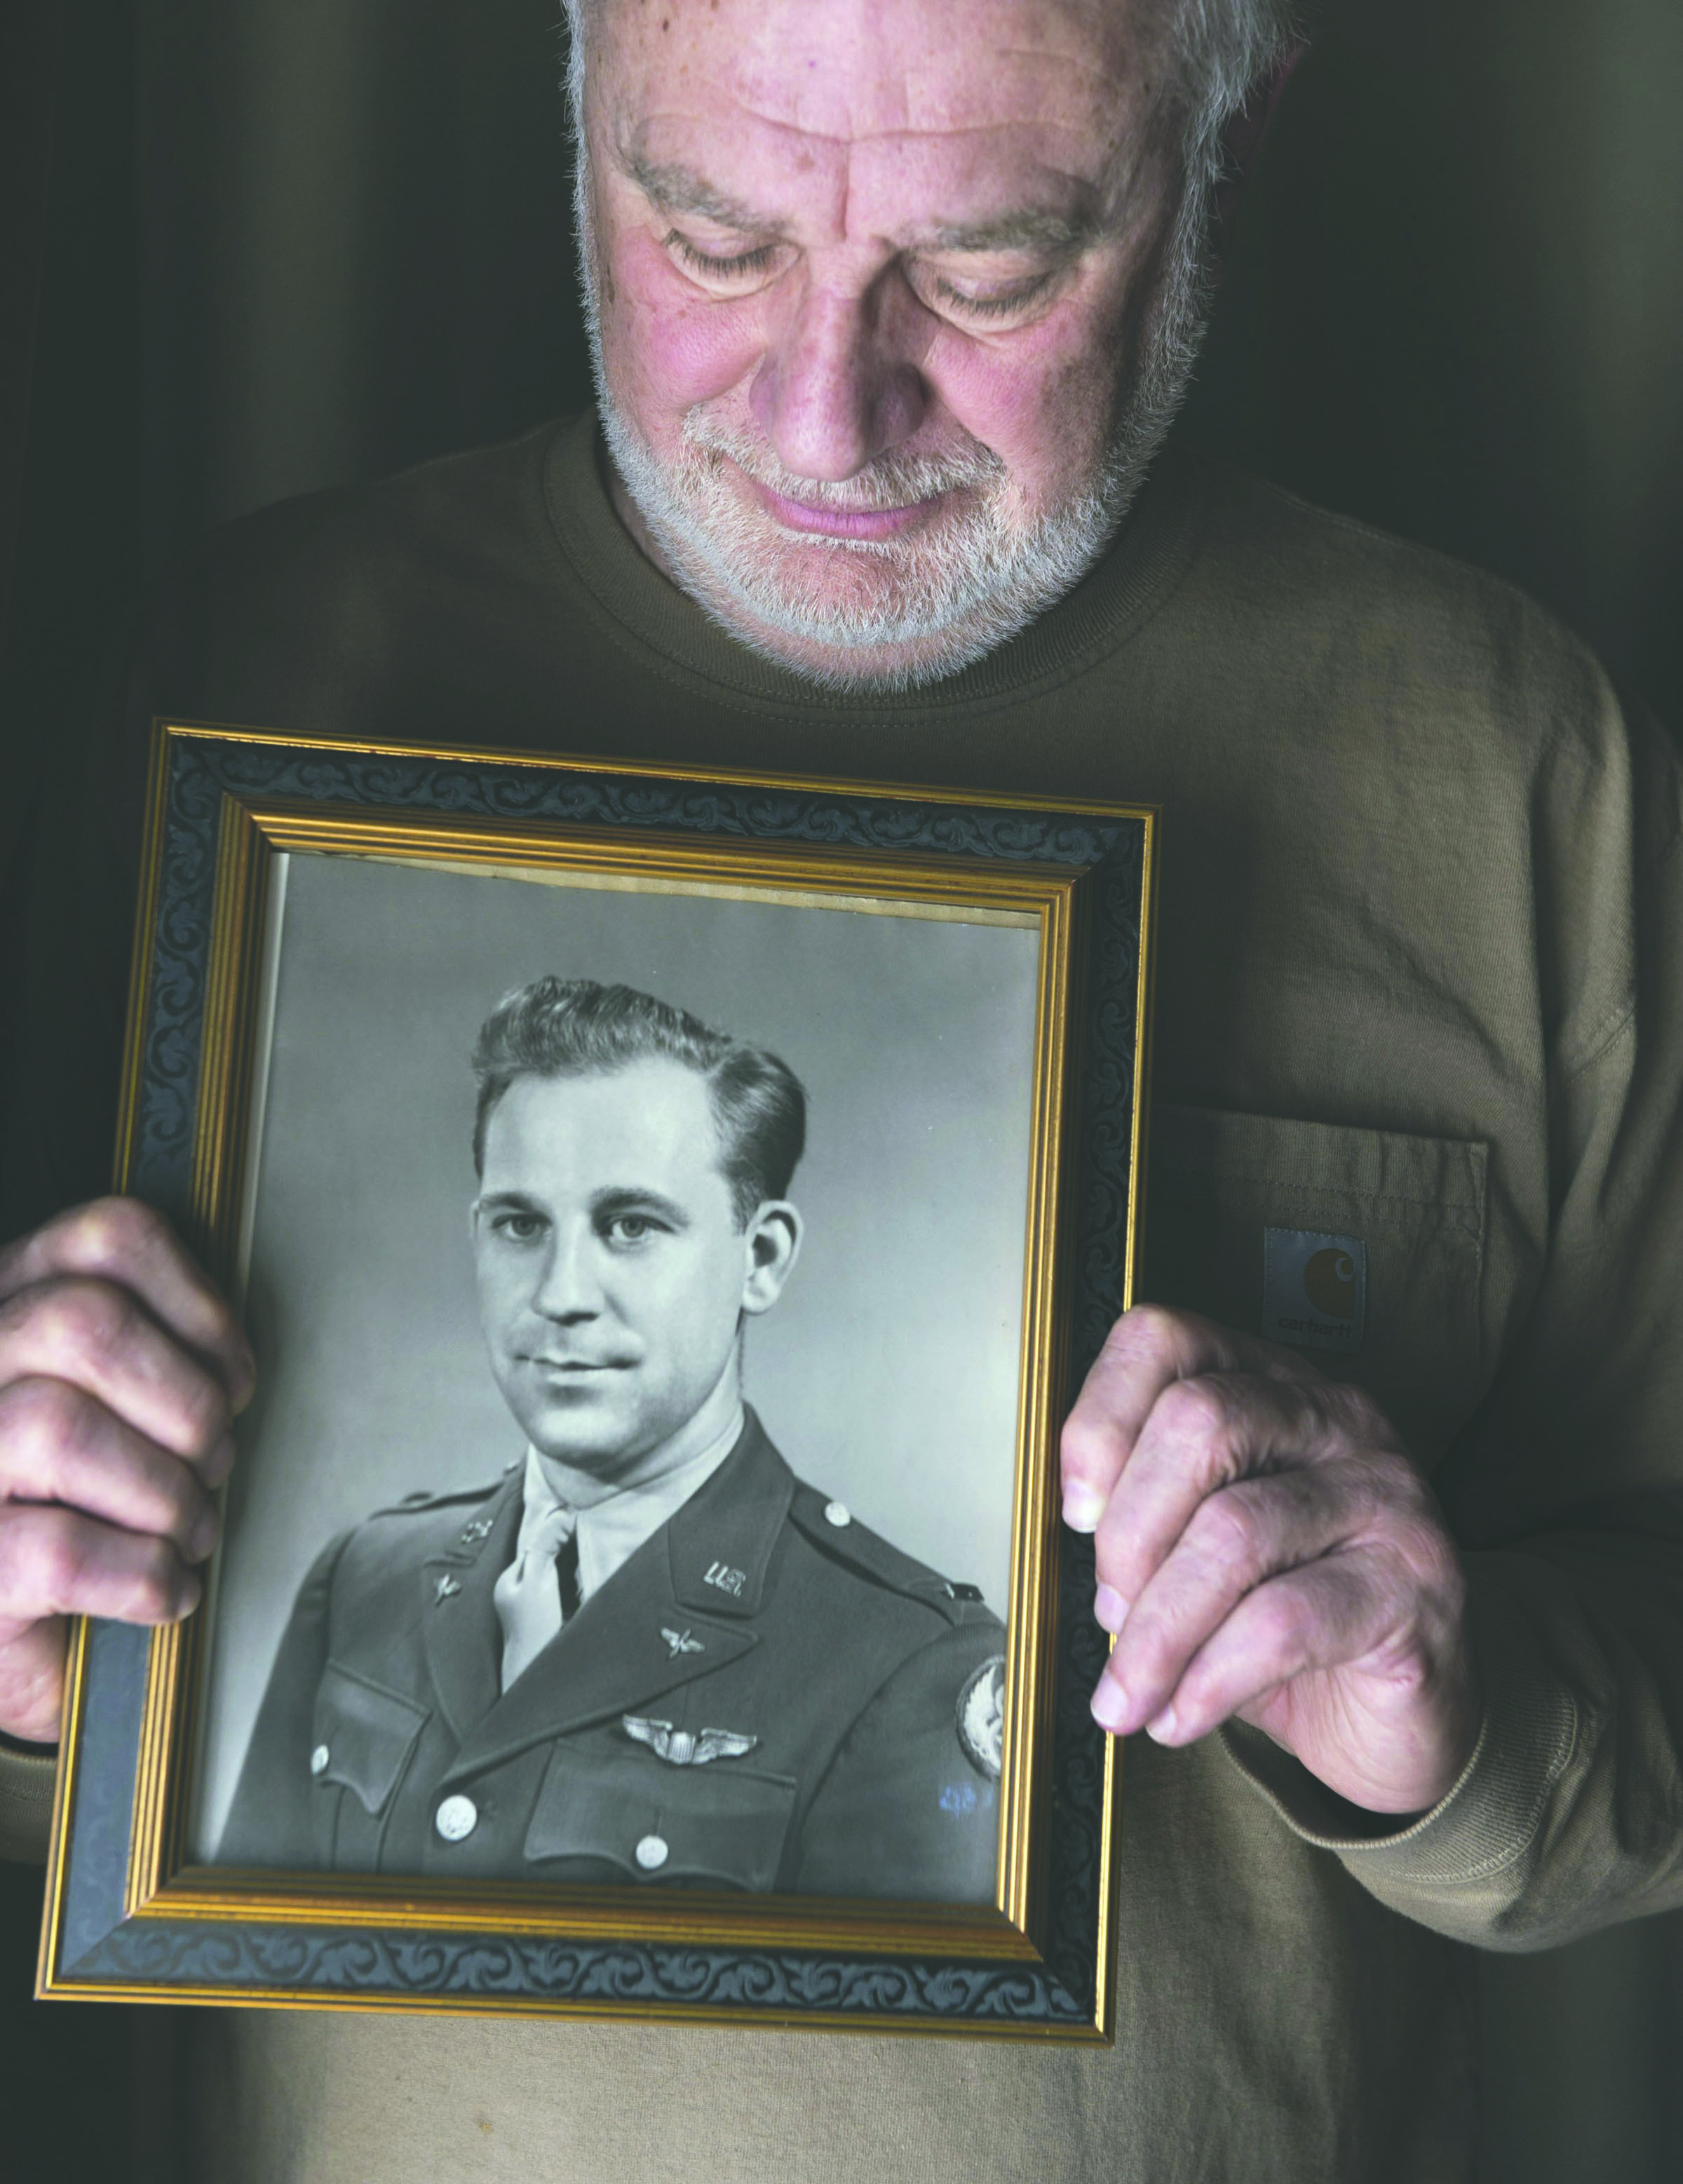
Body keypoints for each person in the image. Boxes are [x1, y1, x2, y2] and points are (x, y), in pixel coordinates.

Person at [0, 0, 1679, 2175]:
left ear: (1230, 143)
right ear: (574, 107)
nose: (823, 409)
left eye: (986, 270)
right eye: (706, 238)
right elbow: (91, 1793)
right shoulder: (235, 679)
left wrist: (1453, 1717)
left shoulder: (1512, 760)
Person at [217, 974, 1004, 1892]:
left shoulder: (908, 1663)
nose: (561, 1294)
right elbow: (236, 1986)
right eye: (520, 1224)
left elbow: (889, 2042)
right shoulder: (364, 1580)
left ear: (761, 1258)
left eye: (630, 1225)